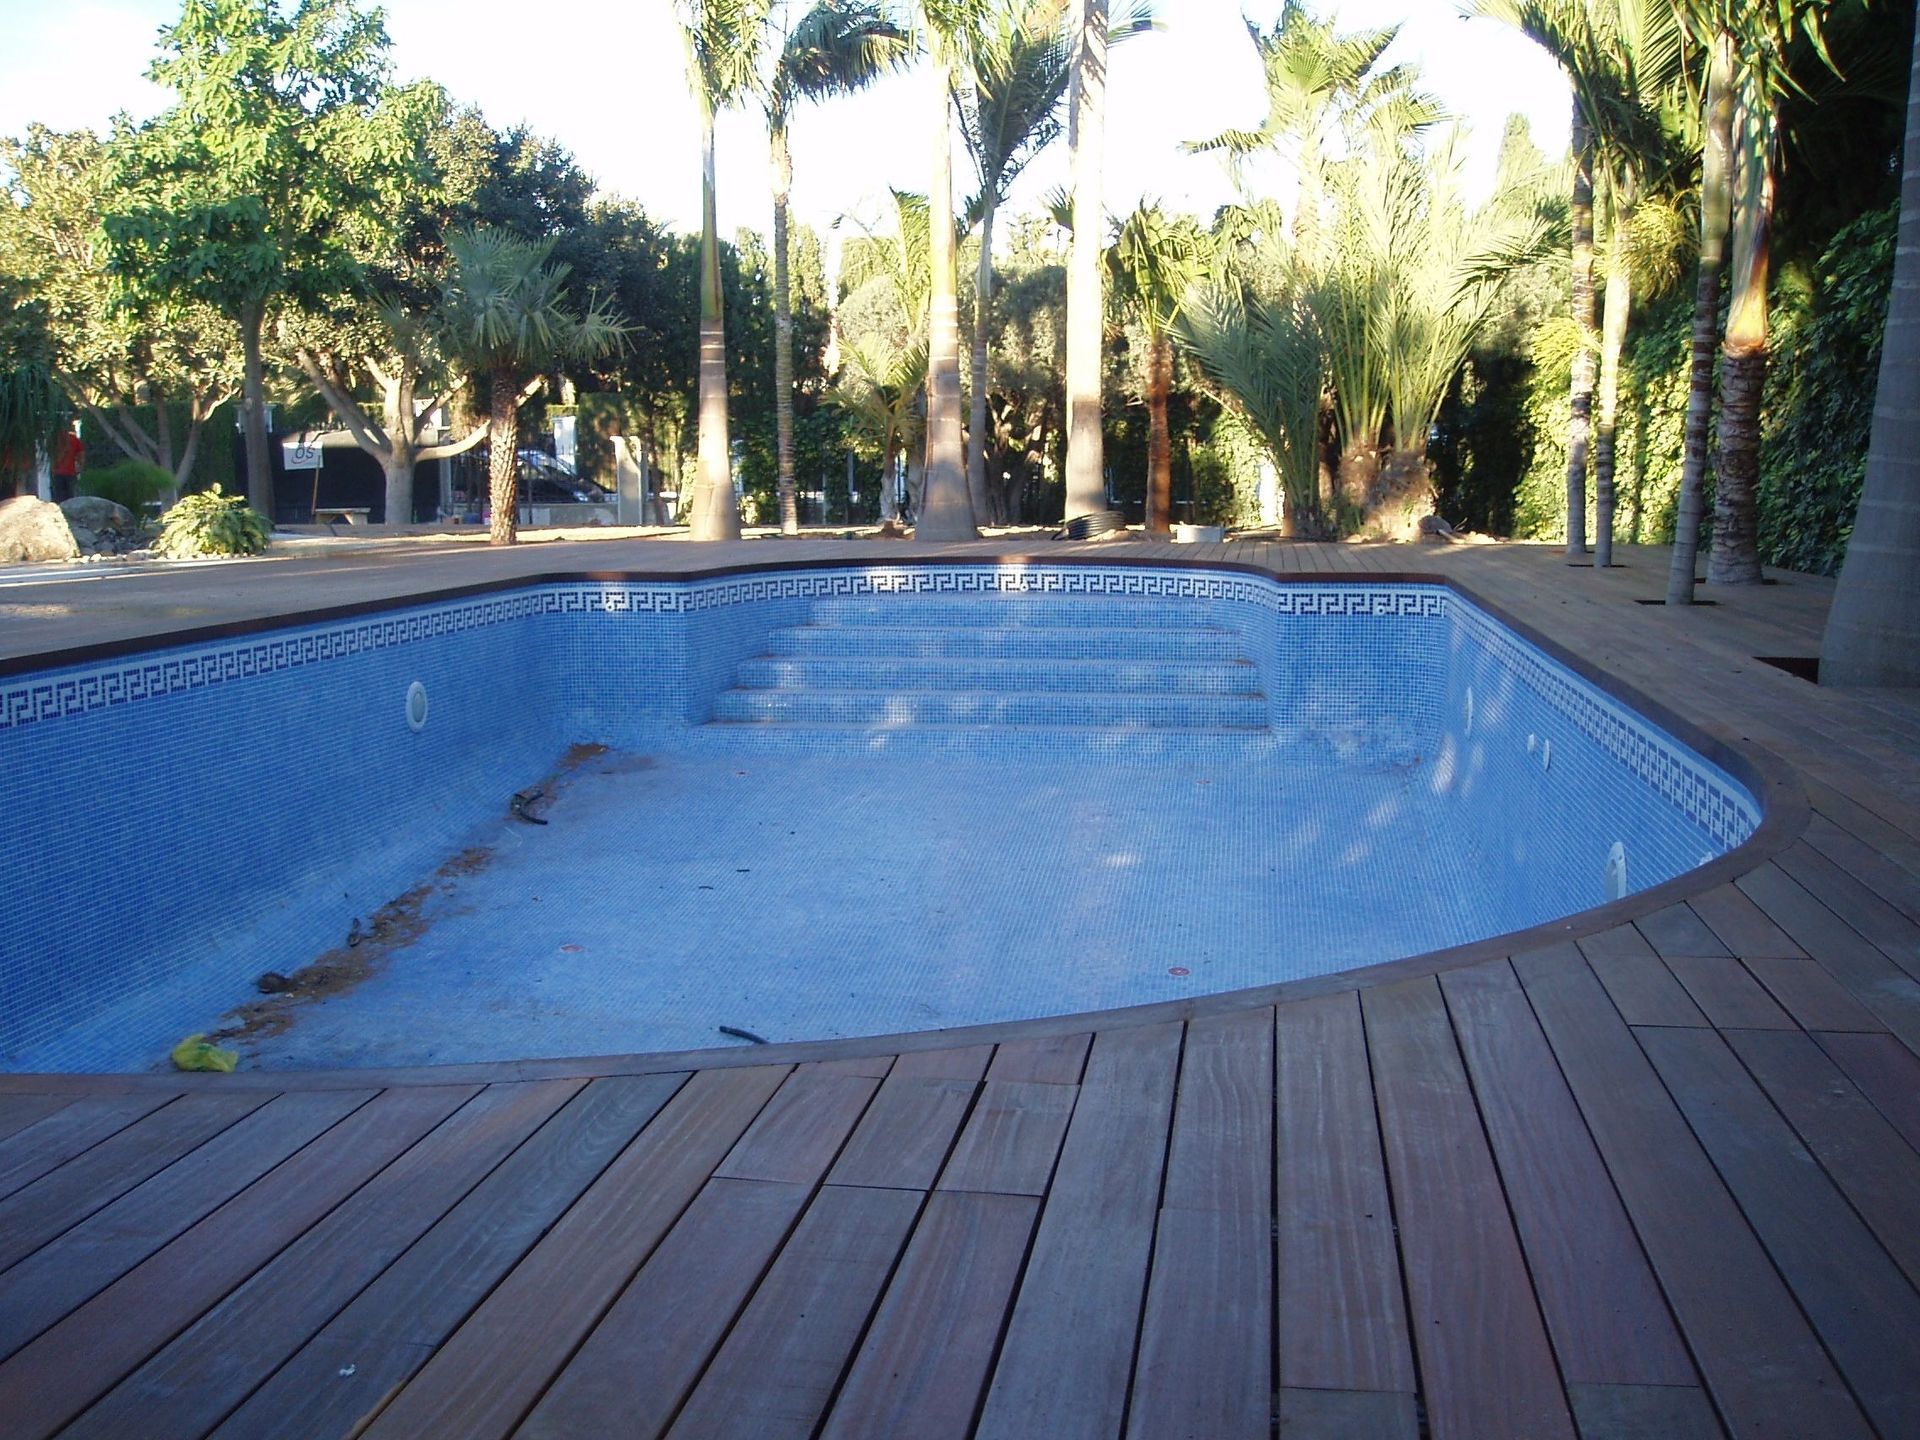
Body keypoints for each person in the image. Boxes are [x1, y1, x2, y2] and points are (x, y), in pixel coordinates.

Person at [50, 420, 83, 503]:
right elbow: (81, 455)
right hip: (68, 473)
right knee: (71, 497)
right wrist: (80, 467)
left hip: (61, 473)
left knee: (60, 497)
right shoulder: (73, 439)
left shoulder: (54, 440)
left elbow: (53, 457)